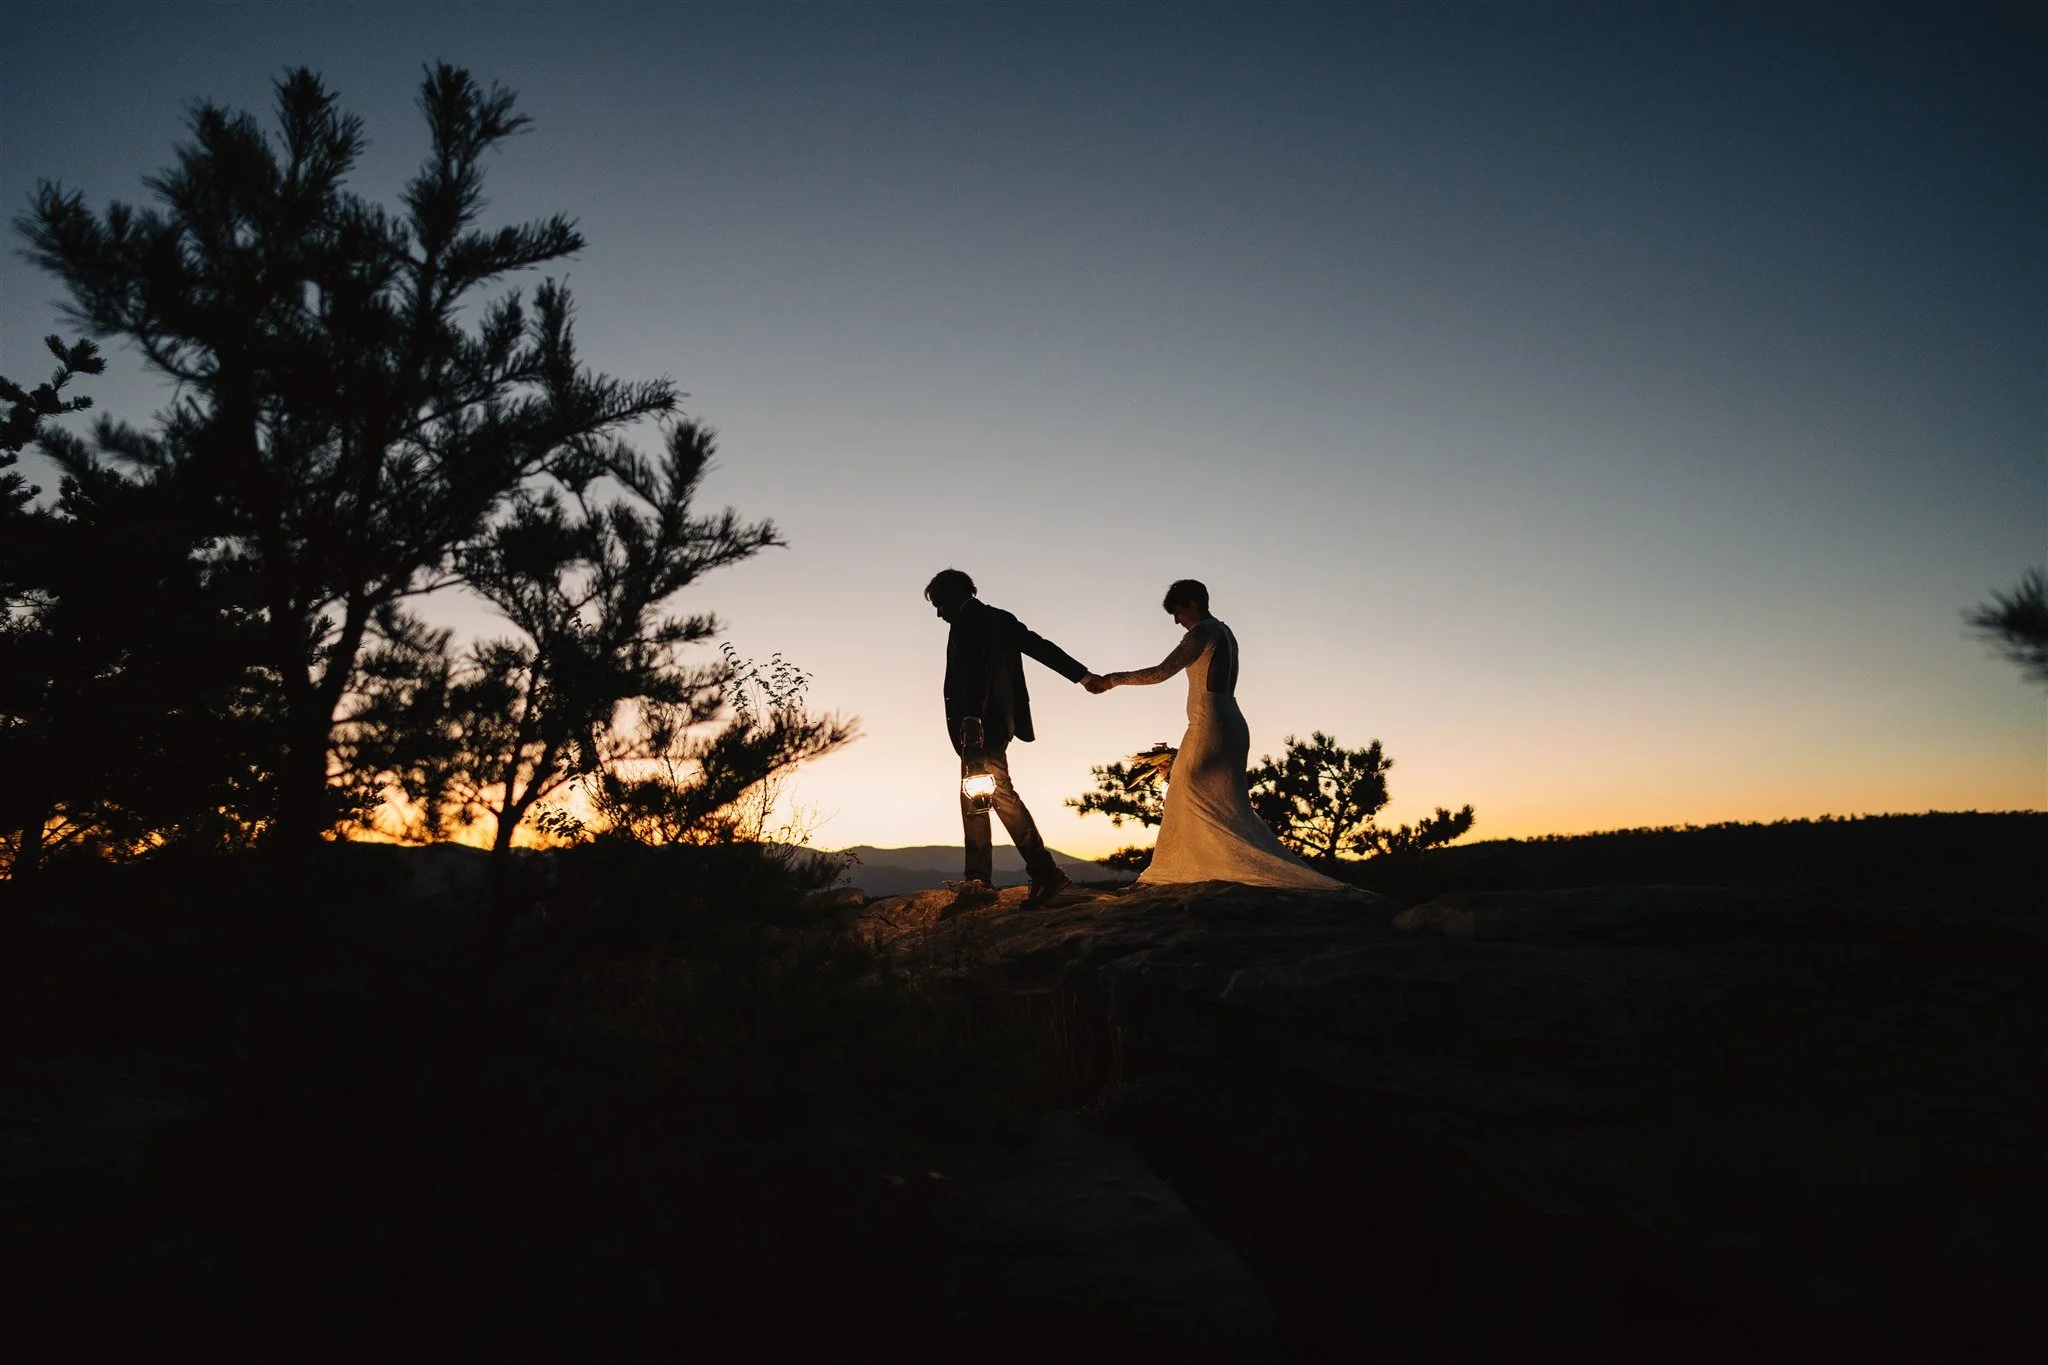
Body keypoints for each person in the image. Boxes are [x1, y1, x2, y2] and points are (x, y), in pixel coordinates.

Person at [1086, 579, 1350, 890]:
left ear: (1193, 604)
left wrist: (1112, 679)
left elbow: (1162, 671)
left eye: (1178, 612)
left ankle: (1192, 873)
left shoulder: (1202, 631)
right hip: (1232, 722)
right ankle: (1212, 869)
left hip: (1208, 724)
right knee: (1228, 806)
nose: (1176, 621)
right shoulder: (1226, 632)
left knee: (1184, 794)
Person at [926, 568, 1100, 906]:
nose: (938, 613)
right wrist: (1082, 676)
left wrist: (972, 715)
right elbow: (1041, 647)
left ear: (953, 594)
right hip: (999, 723)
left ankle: (994, 882)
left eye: (938, 603)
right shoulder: (1001, 618)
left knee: (985, 795)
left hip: (978, 727)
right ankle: (1008, 877)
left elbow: (978, 671)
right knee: (984, 794)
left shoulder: (966, 621)